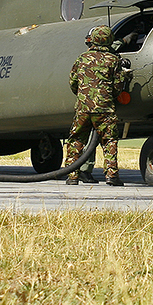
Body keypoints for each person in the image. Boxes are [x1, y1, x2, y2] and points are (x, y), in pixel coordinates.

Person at [65, 25, 127, 186]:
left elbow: (73, 83)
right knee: (109, 141)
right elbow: (118, 86)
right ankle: (112, 176)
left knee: (76, 140)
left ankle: (72, 175)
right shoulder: (113, 60)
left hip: (83, 108)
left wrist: (84, 97)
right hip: (105, 108)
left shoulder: (81, 58)